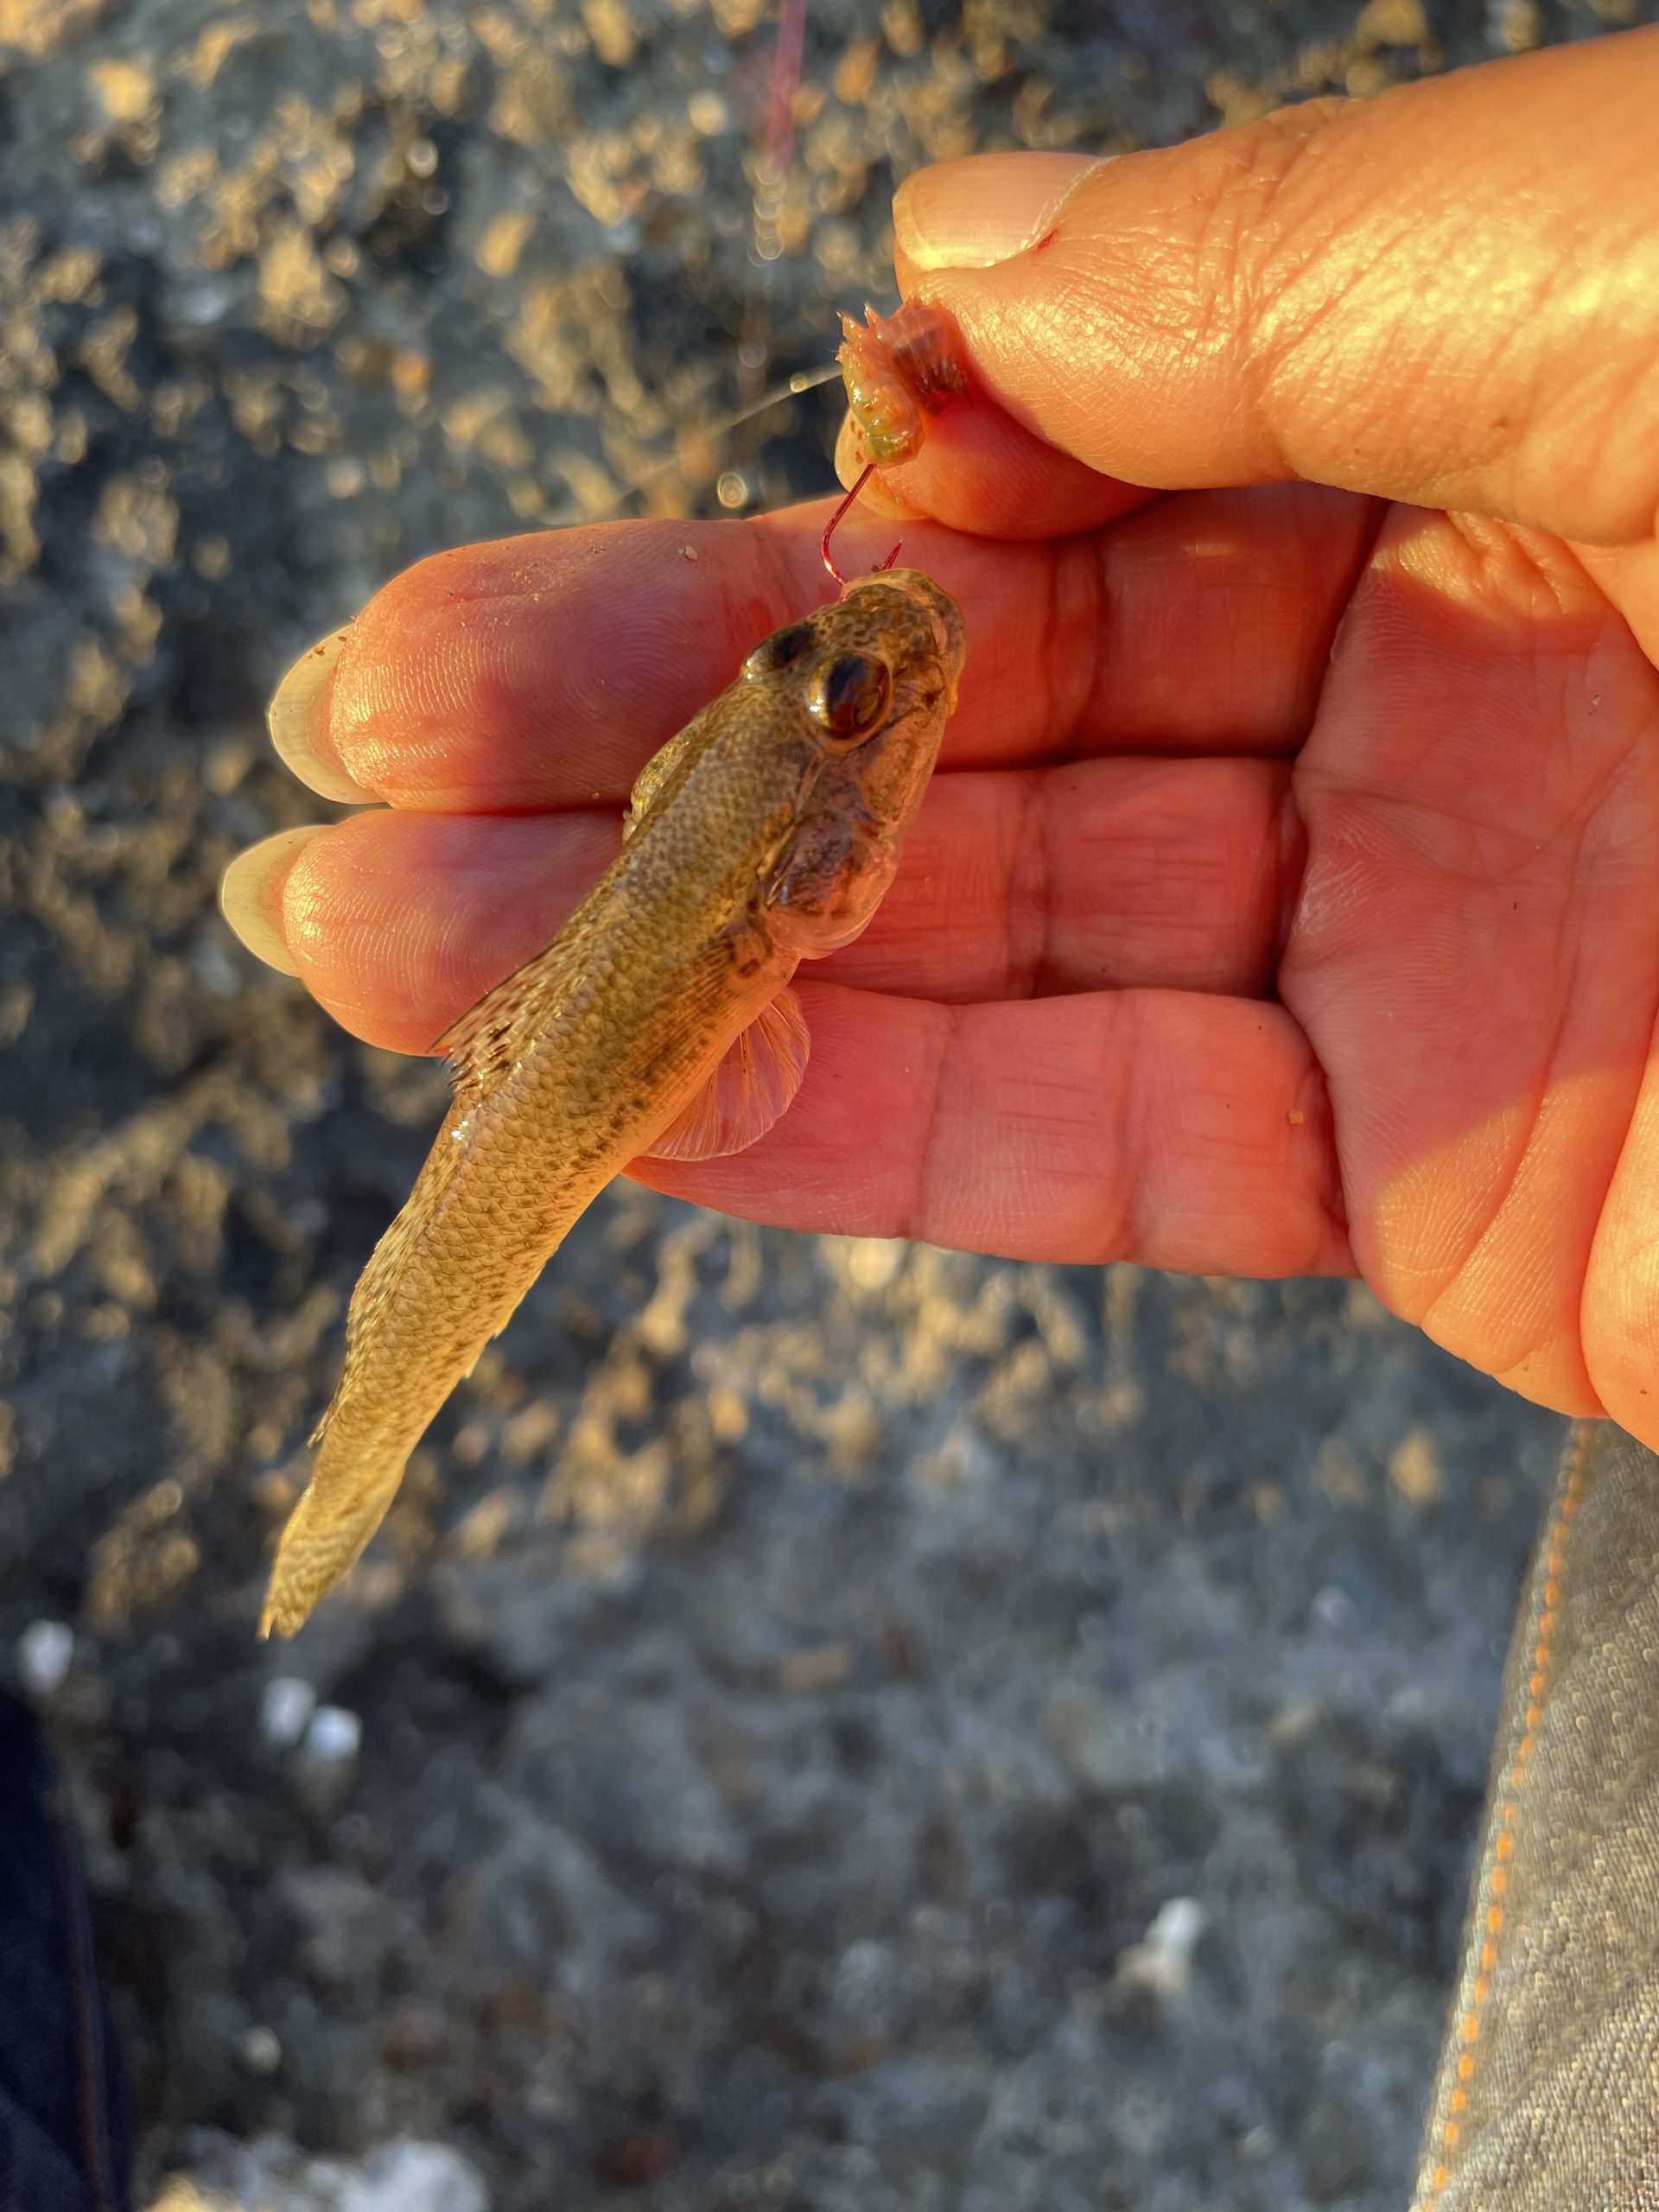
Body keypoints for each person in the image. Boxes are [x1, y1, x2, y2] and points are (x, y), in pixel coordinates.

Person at [213, 26, 1659, 2207]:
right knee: (429, 1273)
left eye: (849, 695)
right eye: (849, 698)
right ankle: (328, 1502)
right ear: (799, 844)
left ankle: (329, 1504)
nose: (879, 670)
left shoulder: (804, 820)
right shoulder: (784, 834)